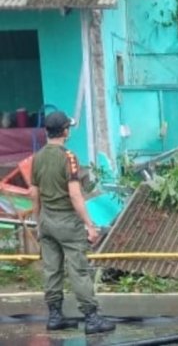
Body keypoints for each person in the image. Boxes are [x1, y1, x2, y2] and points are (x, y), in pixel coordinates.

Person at [30, 111, 115, 335]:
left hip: (47, 221)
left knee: (52, 269)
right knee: (78, 270)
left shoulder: (37, 157)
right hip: (67, 222)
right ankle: (91, 317)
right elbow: (75, 195)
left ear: (47, 131)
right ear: (65, 131)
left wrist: (38, 223)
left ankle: (55, 316)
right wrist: (89, 224)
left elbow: (33, 194)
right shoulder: (69, 157)